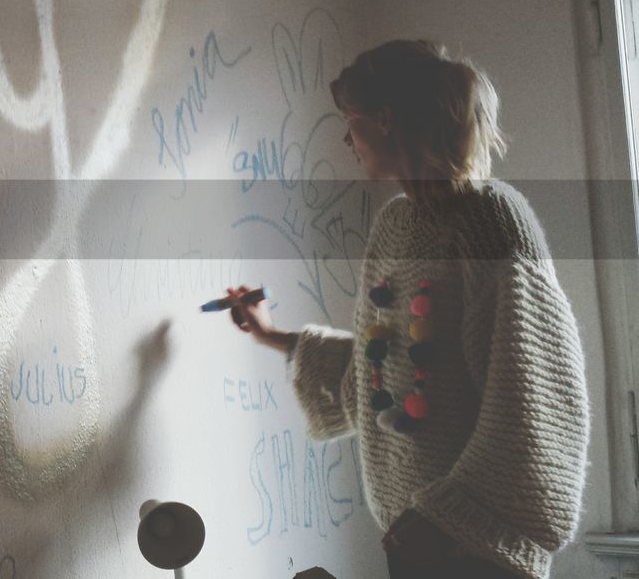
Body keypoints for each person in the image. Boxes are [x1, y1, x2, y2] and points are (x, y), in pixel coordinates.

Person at [226, 40, 588, 579]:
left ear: (387, 120)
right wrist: (274, 336)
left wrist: (443, 518)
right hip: (415, 537)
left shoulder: (491, 221)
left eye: (351, 121)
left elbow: (534, 398)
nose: (346, 138)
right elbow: (389, 364)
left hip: (478, 548)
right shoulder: (397, 224)